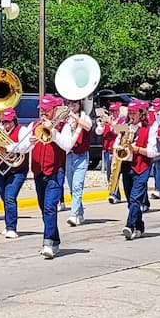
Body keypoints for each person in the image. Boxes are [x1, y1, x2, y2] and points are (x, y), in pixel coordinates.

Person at [30, 95, 77, 259]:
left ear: (55, 110)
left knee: (50, 207)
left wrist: (53, 131)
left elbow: (67, 145)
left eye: (46, 110)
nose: (43, 113)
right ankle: (55, 240)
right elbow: (22, 148)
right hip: (38, 171)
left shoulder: (63, 126)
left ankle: (48, 242)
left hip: (55, 171)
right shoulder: (35, 125)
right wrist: (27, 142)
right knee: (44, 209)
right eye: (41, 110)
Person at [122, 100, 159, 240]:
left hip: (142, 166)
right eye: (129, 112)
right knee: (130, 200)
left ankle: (129, 226)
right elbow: (117, 143)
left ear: (141, 113)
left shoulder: (150, 127)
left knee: (135, 198)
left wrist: (136, 149)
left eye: (134, 112)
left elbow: (152, 152)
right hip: (126, 165)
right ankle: (139, 226)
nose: (131, 115)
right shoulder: (125, 126)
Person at [0, 106, 30, 238]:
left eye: (8, 122)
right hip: (0, 169)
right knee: (4, 198)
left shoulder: (22, 131)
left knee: (10, 197)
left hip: (17, 170)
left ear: (14, 120)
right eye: (4, 122)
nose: (6, 125)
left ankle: (11, 227)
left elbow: (25, 146)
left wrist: (7, 147)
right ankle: (8, 224)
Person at [63, 95, 95, 227]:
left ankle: (74, 214)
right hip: (68, 155)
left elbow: (88, 127)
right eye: (70, 102)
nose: (72, 104)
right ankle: (80, 212)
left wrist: (75, 117)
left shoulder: (84, 116)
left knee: (77, 186)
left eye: (74, 102)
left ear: (80, 103)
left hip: (81, 155)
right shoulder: (66, 118)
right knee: (71, 186)